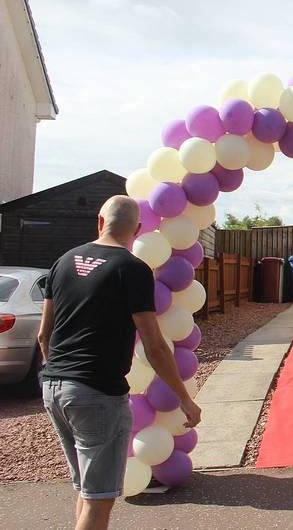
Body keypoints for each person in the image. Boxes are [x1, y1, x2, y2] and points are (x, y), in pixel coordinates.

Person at [37, 195, 201, 530]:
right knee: (99, 501)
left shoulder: (63, 261)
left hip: (54, 387)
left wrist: (60, 376)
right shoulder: (132, 268)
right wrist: (184, 399)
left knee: (86, 487)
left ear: (99, 221)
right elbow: (155, 346)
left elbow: (44, 336)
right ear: (138, 229)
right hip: (97, 393)